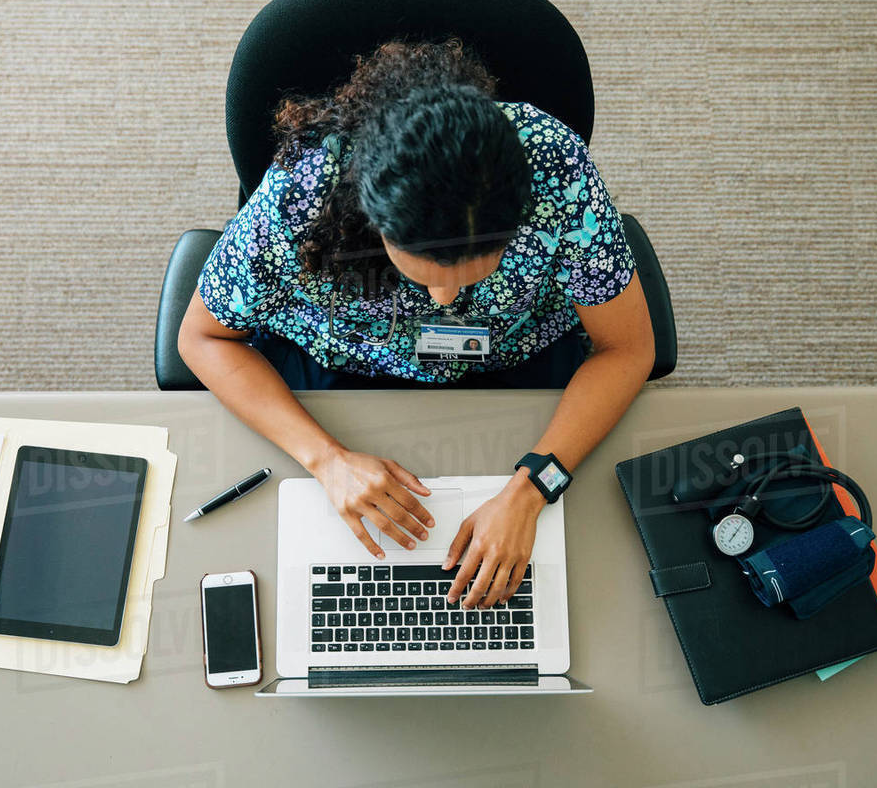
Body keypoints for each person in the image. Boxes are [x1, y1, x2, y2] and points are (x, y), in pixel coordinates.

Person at [178, 37, 654, 611]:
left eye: (477, 268)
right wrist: (325, 459)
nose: (448, 298)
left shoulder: (555, 169)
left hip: (516, 362)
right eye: (425, 273)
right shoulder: (305, 195)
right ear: (375, 220)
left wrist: (533, 488)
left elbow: (626, 349)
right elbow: (202, 336)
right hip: (346, 369)